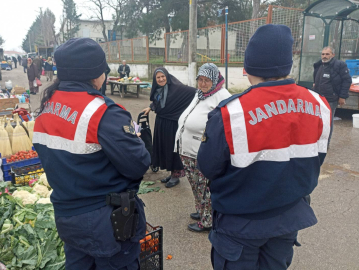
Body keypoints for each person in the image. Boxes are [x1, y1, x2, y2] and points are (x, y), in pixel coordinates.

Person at [197, 24, 332, 270]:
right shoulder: (320, 104)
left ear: (247, 68)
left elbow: (208, 167)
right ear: (289, 65)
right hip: (288, 218)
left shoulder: (230, 113)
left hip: (240, 226)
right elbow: (317, 157)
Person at [33, 37, 150, 269]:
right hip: (106, 223)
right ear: (97, 75)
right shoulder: (102, 112)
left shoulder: (46, 108)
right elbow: (139, 163)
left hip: (67, 216)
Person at [175, 63, 231, 233]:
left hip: (202, 152)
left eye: (207, 80)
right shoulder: (201, 94)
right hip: (188, 151)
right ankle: (201, 211)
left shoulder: (222, 96)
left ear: (214, 80)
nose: (203, 84)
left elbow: (225, 125)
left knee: (204, 187)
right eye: (200, 80)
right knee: (195, 185)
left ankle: (207, 220)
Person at [142, 68, 195, 188]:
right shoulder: (158, 89)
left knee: (173, 148)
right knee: (165, 147)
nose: (161, 79)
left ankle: (176, 175)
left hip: (173, 124)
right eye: (158, 77)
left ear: (167, 76)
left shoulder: (177, 88)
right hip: (161, 122)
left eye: (163, 76)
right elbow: (157, 102)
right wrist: (151, 107)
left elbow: (195, 92)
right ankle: (171, 173)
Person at [313, 46, 351, 147]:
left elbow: (347, 80)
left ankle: (325, 144)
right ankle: (316, 142)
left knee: (327, 122)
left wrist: (342, 96)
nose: (324, 56)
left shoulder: (339, 65)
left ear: (333, 55)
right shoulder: (319, 65)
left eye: (327, 54)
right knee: (317, 121)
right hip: (318, 98)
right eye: (323, 54)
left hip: (331, 99)